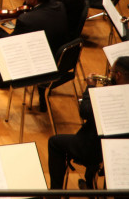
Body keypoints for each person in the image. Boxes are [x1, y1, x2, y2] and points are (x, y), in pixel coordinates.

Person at [0, 0, 70, 101]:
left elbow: (9, 42)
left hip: (40, 63)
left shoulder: (27, 20)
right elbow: (38, 12)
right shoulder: (59, 6)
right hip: (58, 58)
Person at [48, 56, 129, 190]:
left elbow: (85, 112)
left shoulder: (110, 95)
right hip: (122, 150)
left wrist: (90, 88)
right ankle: (91, 180)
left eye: (111, 72)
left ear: (119, 75)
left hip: (95, 149)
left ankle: (55, 193)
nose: (109, 75)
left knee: (54, 143)